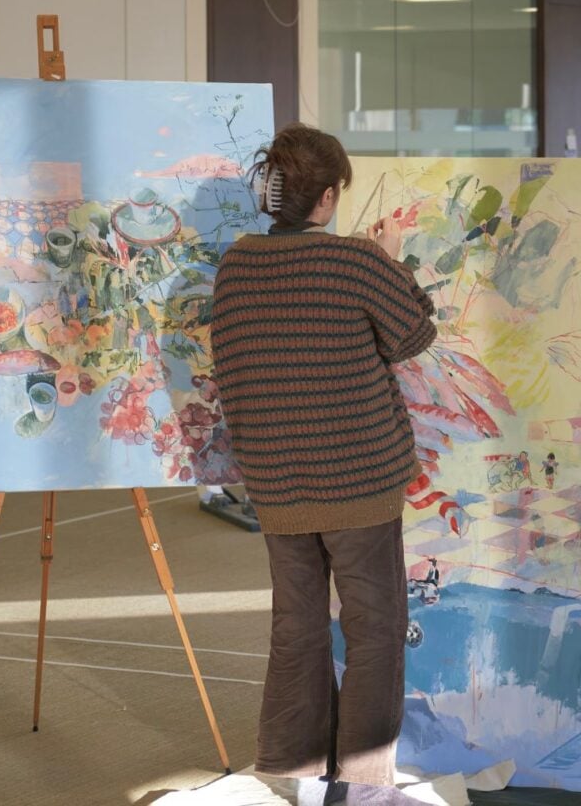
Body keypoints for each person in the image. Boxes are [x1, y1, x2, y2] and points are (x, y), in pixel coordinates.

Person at [212, 124, 438, 806]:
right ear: (330, 195)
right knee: (375, 631)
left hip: (278, 482)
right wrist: (391, 258)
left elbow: (233, 367)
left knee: (297, 625)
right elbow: (415, 332)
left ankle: (291, 771)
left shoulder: (236, 265)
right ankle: (363, 787)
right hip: (359, 481)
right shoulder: (353, 261)